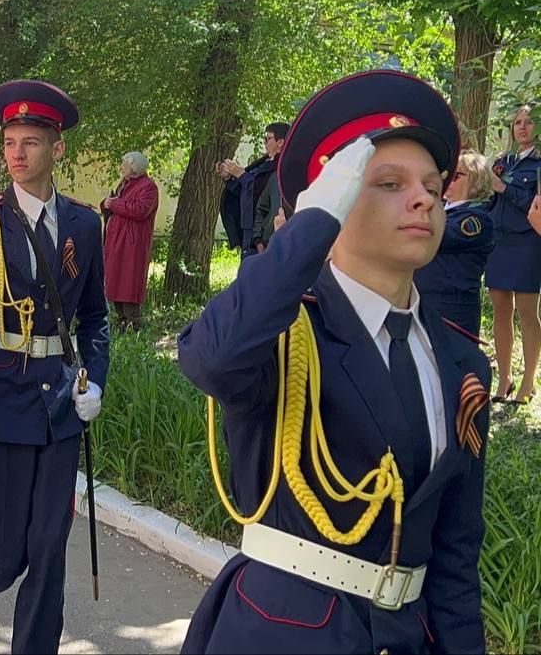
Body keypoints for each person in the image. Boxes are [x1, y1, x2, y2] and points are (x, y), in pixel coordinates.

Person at [178, 70, 489, 655]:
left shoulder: (460, 359)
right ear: (336, 199)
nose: (424, 197)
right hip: (282, 634)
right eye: (389, 183)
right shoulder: (286, 332)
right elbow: (210, 360)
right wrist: (310, 225)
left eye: (431, 184)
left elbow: (455, 556)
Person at [0, 80, 110, 655]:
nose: (17, 153)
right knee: (3, 555)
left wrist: (96, 380)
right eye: (10, 141)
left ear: (56, 149)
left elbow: (95, 318)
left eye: (31, 142)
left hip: (59, 407)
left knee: (49, 550)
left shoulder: (84, 224)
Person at [485, 105, 541, 404]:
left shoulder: (539, 164)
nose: (522, 127)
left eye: (529, 121)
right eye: (517, 122)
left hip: (528, 242)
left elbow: (535, 201)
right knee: (500, 310)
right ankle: (504, 377)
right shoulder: (502, 162)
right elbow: (490, 200)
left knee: (527, 313)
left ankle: (528, 382)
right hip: (499, 242)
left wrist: (503, 188)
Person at [414, 150, 495, 340]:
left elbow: (436, 236)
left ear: (476, 180)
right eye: (446, 174)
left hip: (452, 311)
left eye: (456, 175)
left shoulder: (476, 219)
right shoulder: (441, 210)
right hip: (425, 304)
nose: (448, 179)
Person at [101, 150, 159, 331]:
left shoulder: (148, 187)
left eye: (124, 164)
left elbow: (140, 210)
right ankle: (121, 321)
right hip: (117, 240)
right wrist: (106, 204)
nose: (121, 168)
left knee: (129, 281)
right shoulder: (124, 184)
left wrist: (115, 204)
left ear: (134, 167)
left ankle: (133, 322)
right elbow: (112, 204)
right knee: (116, 279)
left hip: (132, 244)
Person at [218, 123, 289, 259]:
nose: (264, 143)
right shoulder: (264, 162)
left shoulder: (281, 169)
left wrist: (242, 176)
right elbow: (245, 192)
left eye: (268, 139)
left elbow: (261, 195)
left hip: (264, 238)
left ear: (280, 142)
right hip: (249, 233)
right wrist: (229, 178)